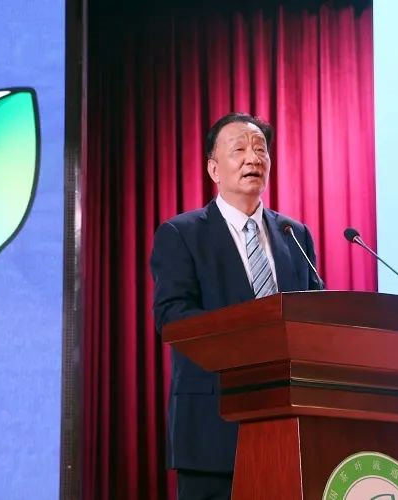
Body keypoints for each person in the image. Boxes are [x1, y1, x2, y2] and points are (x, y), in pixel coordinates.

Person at [150, 112, 324, 500]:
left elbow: (315, 316)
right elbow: (172, 317)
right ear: (214, 168)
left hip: (290, 425)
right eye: (239, 149)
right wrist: (250, 337)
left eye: (261, 149)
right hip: (214, 429)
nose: (253, 158)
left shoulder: (294, 234)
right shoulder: (182, 234)